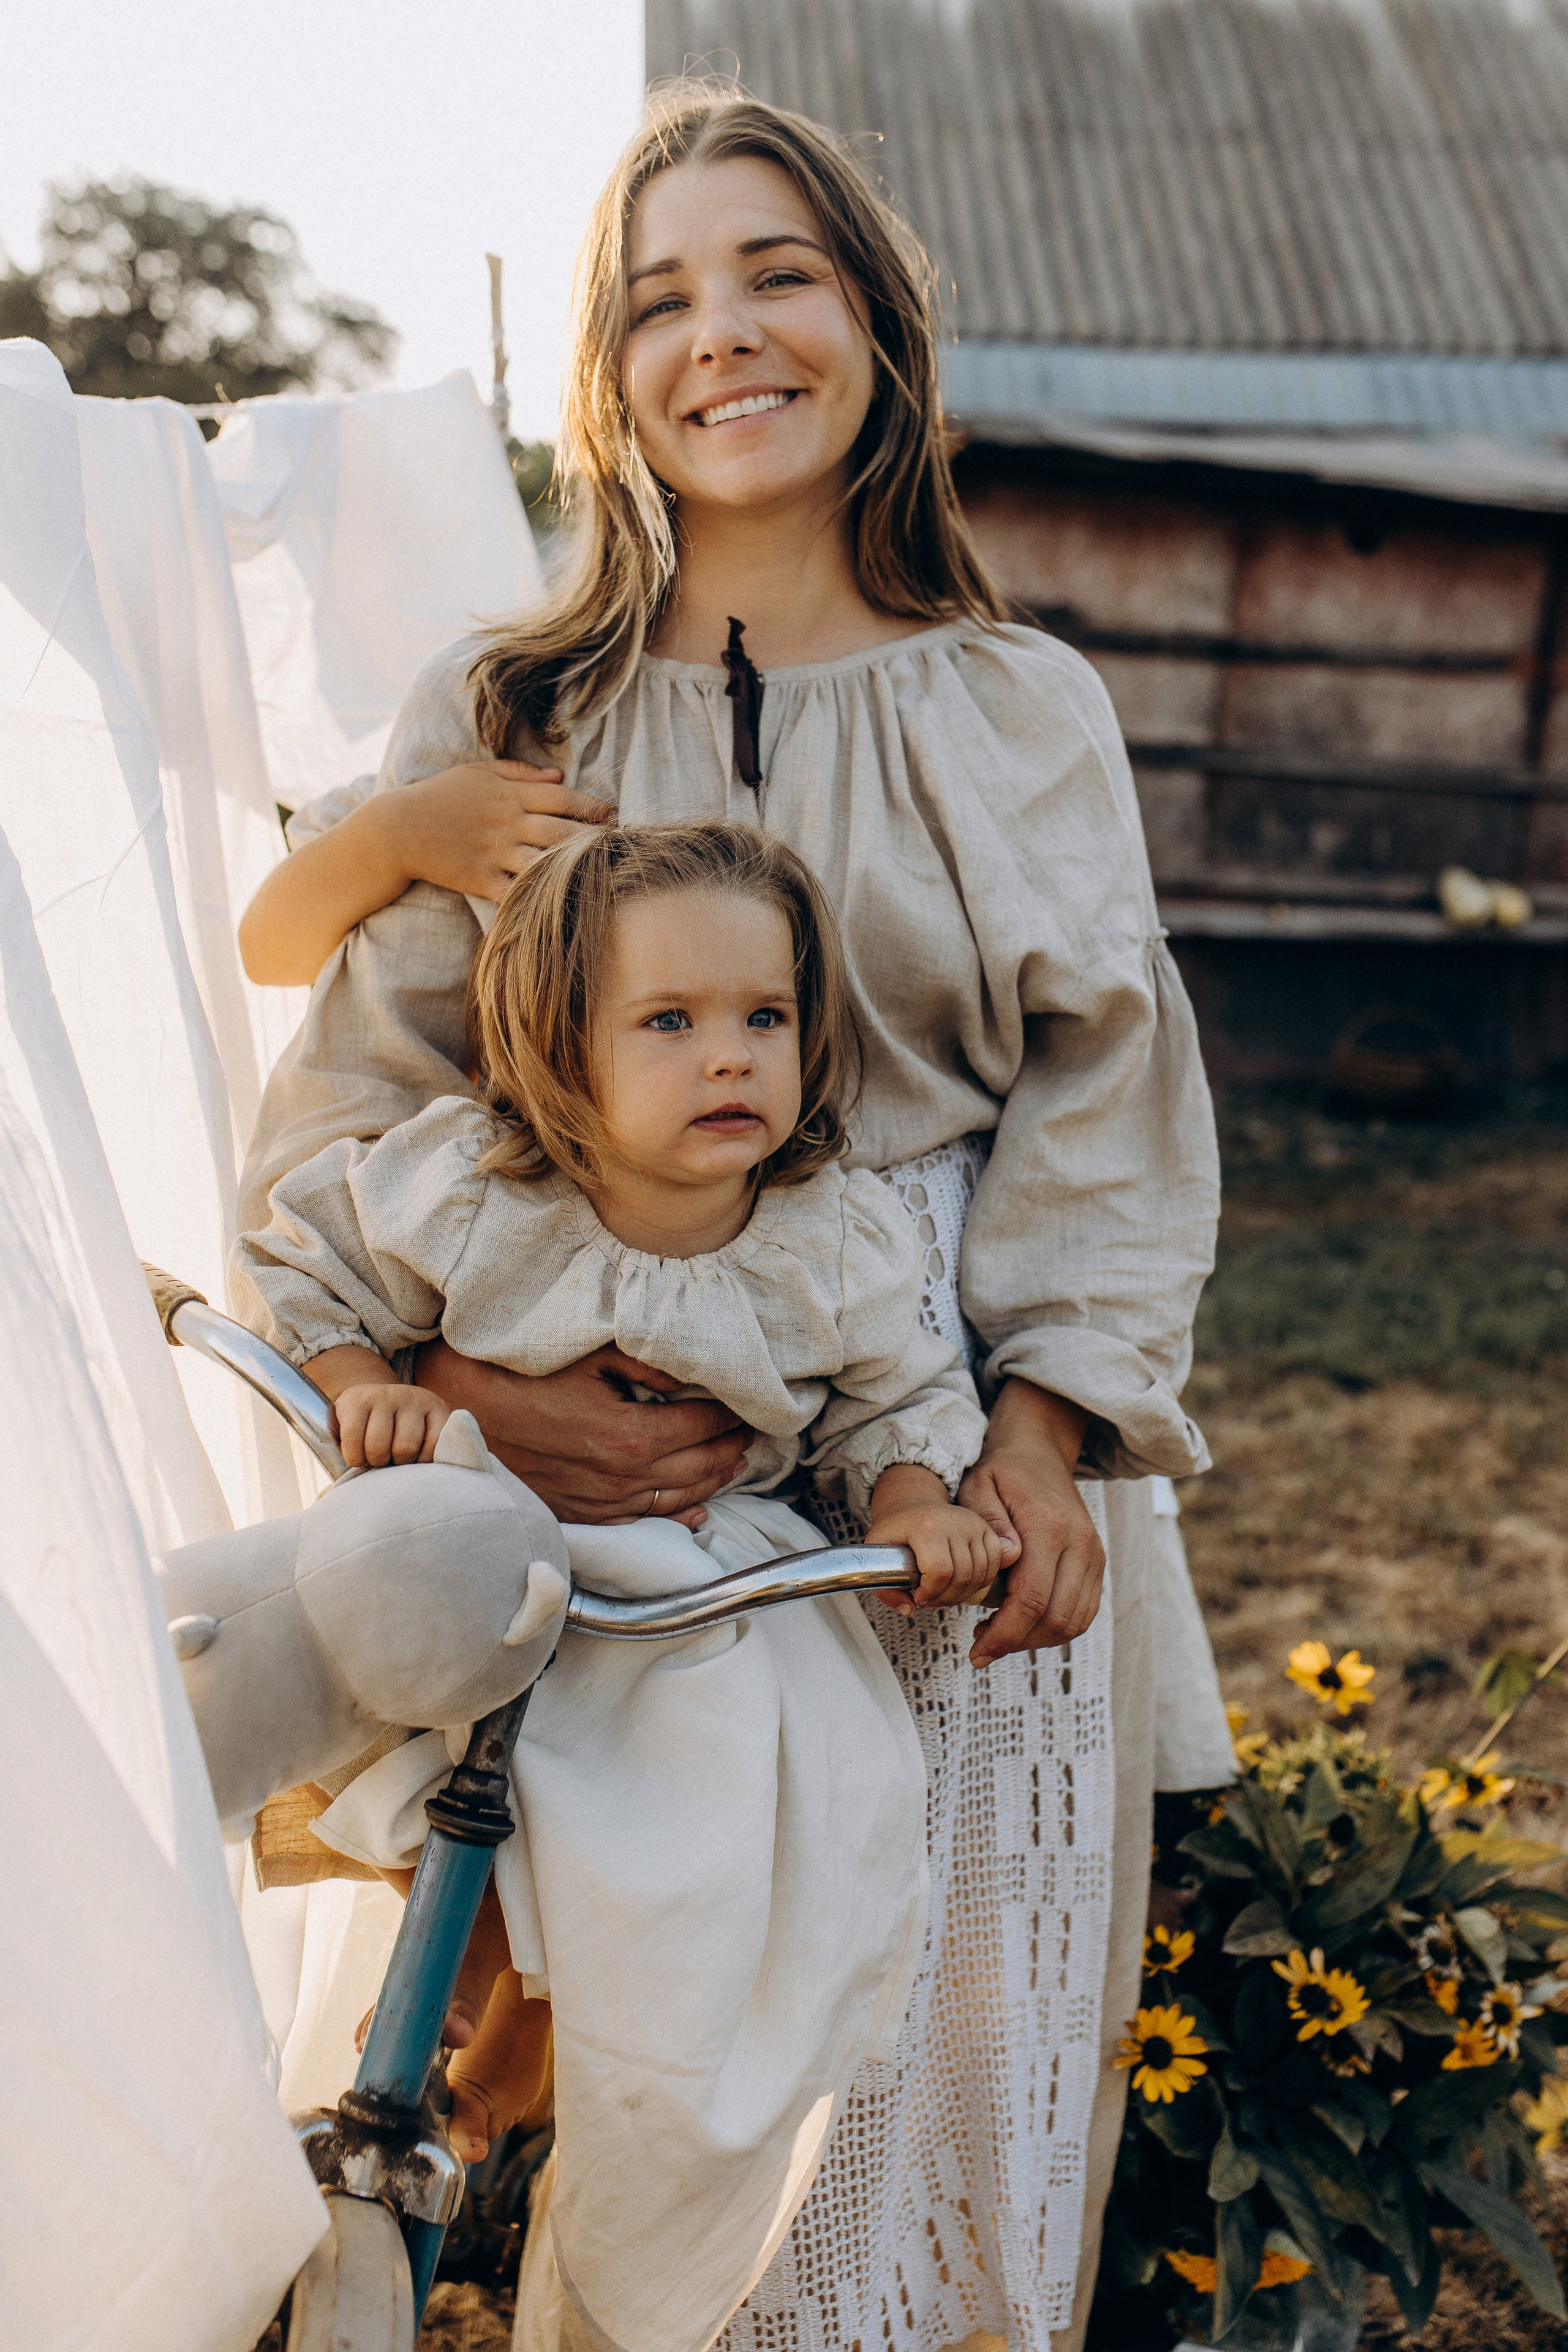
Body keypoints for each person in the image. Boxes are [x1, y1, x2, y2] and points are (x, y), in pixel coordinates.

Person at [235, 81, 1227, 2352]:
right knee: (645, 2074)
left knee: (937, 2059)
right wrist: (477, 1394)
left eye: (778, 271)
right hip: (588, 1474)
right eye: (661, 296)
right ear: (608, 373)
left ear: (875, 321)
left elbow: (1107, 1102)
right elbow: (355, 1097)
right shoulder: (512, 710)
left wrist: (1036, 1445)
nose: (728, 335)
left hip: (945, 1469)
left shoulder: (1019, 708)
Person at [237, 820, 1009, 2351]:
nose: (728, 1057)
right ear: (558, 1045)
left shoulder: (828, 1235)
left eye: (763, 1019)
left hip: (705, 1575)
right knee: (394, 1655)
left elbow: (896, 1396)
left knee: (750, 1784)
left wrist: (920, 1499)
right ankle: (435, 2017)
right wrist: (355, 1374)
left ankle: (629, 2114)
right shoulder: (474, 1187)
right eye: (669, 1023)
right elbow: (308, 1258)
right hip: (489, 1533)